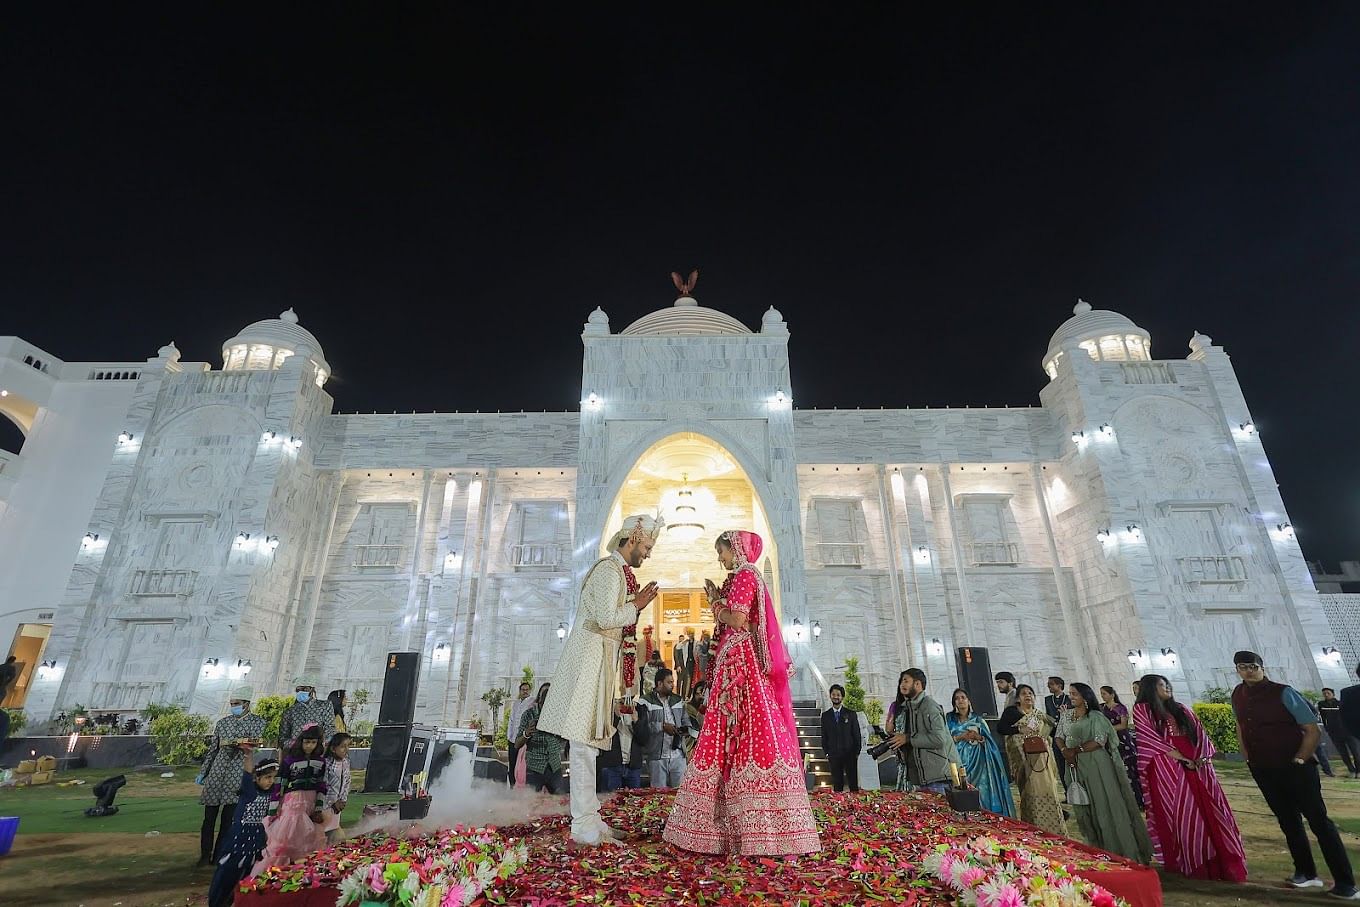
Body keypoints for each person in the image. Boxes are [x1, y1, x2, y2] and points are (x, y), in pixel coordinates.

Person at [663, 530, 820, 856]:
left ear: (736, 549)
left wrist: (715, 604)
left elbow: (736, 617)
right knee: (743, 730)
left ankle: (741, 827)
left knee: (742, 728)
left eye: (722, 552)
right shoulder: (750, 577)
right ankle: (756, 827)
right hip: (739, 661)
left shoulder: (745, 575)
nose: (721, 559)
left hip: (740, 665)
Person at [538, 513, 661, 843]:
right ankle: (583, 825)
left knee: (589, 743)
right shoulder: (608, 571)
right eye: (647, 546)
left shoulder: (618, 572)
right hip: (590, 659)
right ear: (632, 539)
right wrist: (637, 603)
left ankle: (590, 817)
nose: (648, 553)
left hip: (600, 659)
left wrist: (635, 604)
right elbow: (608, 617)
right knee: (583, 744)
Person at [1232, 651, 1358, 898]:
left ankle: (1345, 883)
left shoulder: (1283, 692)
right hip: (1263, 768)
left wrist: (1300, 758)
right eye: (1242, 667)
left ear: (1261, 667)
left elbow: (1311, 728)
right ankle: (1306, 873)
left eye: (1252, 666)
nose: (1248, 671)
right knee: (1288, 822)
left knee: (1319, 823)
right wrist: (1248, 758)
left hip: (1296, 768)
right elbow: (1241, 725)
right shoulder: (1238, 694)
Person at [1133, 674, 1246, 881]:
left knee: (1211, 809)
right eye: (1161, 684)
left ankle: (1223, 859)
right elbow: (1150, 738)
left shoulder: (1182, 709)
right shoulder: (1143, 709)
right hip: (1168, 767)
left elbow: (1200, 734)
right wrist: (1182, 759)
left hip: (1197, 764)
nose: (1166, 687)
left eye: (1167, 683)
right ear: (1150, 688)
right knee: (1183, 812)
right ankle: (1193, 861)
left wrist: (1202, 758)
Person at [1062, 682, 1152, 863]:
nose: (1071, 697)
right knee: (1088, 804)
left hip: (1097, 763)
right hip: (1077, 765)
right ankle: (1098, 846)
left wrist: (1075, 750)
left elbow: (1099, 740)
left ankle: (1119, 849)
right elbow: (1059, 735)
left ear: (1085, 697)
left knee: (1105, 803)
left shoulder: (1096, 716)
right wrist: (1065, 750)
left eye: (1075, 694)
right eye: (1070, 693)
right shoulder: (1068, 716)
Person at [197, 686, 265, 866]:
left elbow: (254, 742)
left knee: (228, 820)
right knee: (208, 818)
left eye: (237, 704)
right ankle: (204, 855)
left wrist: (236, 742)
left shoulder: (257, 722)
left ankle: (219, 855)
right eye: (232, 703)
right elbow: (213, 750)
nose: (234, 706)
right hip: (217, 771)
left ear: (247, 704)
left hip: (238, 770)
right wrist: (204, 772)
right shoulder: (223, 723)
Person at [251, 723, 327, 876]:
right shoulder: (289, 761)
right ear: (301, 742)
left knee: (308, 839)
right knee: (286, 840)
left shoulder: (321, 762)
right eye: (307, 742)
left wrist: (319, 808)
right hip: (293, 803)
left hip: (310, 803)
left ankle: (302, 874)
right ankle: (274, 873)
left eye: (313, 742)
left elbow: (322, 785)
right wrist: (273, 809)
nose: (309, 746)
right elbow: (280, 784)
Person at [207, 754, 280, 907]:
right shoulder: (249, 791)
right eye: (267, 777)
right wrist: (248, 756)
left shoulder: (269, 794)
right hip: (239, 839)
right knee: (229, 872)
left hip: (255, 840)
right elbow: (247, 773)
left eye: (273, 777)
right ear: (257, 777)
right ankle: (217, 902)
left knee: (248, 873)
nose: (271, 781)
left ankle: (237, 901)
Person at [885, 668, 961, 794]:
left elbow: (939, 739)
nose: (901, 685)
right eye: (901, 682)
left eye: (905, 681)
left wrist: (908, 738)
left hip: (938, 777)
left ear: (917, 684)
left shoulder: (929, 706)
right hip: (922, 778)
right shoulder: (909, 707)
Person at [1004, 684, 1067, 835]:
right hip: (1025, 764)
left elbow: (1055, 731)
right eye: (1024, 694)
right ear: (1017, 699)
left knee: (1050, 793)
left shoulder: (1040, 715)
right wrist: (1019, 730)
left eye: (1030, 693)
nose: (1028, 696)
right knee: (1030, 794)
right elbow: (1002, 729)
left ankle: (1055, 830)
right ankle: (1033, 829)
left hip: (1043, 763)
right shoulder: (1012, 714)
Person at [947, 688, 1014, 816]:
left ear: (969, 701)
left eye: (963, 697)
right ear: (954, 703)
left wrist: (979, 738)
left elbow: (989, 742)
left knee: (980, 790)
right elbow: (944, 740)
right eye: (957, 698)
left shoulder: (978, 720)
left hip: (979, 762)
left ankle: (983, 815)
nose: (960, 700)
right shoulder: (949, 720)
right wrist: (961, 737)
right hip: (957, 760)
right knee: (961, 789)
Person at [639, 667, 689, 788]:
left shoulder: (678, 700)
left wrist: (684, 729)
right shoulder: (645, 701)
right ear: (659, 683)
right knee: (658, 795)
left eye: (673, 682)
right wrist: (661, 726)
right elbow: (641, 726)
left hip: (677, 755)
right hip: (657, 756)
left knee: (680, 793)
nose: (673, 685)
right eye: (669, 682)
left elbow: (685, 720)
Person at [1098, 685, 1144, 809]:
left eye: (1104, 694)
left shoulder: (1121, 708)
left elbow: (1123, 725)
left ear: (1112, 694)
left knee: (1131, 772)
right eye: (1101, 694)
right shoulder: (1101, 708)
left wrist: (1108, 730)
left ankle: (1139, 800)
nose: (1102, 696)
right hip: (1109, 743)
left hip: (1123, 742)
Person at [517, 682, 565, 793]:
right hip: (534, 768)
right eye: (544, 695)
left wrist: (558, 731)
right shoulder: (528, 715)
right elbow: (517, 744)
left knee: (560, 802)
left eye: (551, 696)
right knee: (532, 805)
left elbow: (565, 738)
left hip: (554, 767)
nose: (547, 698)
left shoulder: (558, 716)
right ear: (539, 697)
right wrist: (527, 733)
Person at [821, 683, 862, 793]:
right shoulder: (825, 715)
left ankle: (856, 806)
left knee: (853, 783)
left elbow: (856, 734)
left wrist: (857, 751)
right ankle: (838, 806)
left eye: (838, 695)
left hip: (850, 754)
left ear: (842, 697)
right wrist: (827, 752)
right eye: (833, 694)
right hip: (834, 754)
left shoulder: (851, 714)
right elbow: (824, 735)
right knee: (837, 783)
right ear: (830, 696)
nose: (835, 697)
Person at [277, 677, 334, 746]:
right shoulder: (290, 711)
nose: (301, 691)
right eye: (298, 689)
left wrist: (320, 743)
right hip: (296, 752)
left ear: (312, 690)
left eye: (305, 689)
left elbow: (330, 728)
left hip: (318, 750)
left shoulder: (325, 706)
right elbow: (282, 738)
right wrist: (296, 744)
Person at [1320, 688, 1360, 778]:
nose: (1326, 695)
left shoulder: (1340, 703)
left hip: (1347, 731)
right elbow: (1323, 717)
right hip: (1334, 732)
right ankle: (1351, 770)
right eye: (1324, 693)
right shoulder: (1321, 704)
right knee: (1343, 753)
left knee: (1356, 752)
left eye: (1328, 693)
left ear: (1333, 694)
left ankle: (1358, 770)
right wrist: (1327, 728)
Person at [320, 733, 352, 843]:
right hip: (326, 806)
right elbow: (324, 786)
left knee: (335, 834)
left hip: (338, 806)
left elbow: (347, 782)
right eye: (343, 746)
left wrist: (343, 800)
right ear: (333, 749)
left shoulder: (346, 762)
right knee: (324, 833)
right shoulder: (326, 763)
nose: (346, 750)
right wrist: (332, 802)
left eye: (348, 746)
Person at [1044, 676, 1071, 786]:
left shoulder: (1069, 699)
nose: (1048, 686)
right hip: (1055, 734)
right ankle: (1067, 791)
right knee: (1060, 763)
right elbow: (1049, 715)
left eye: (1051, 684)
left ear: (1059, 685)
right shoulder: (1048, 699)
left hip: (1069, 734)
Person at [506, 681, 534, 788]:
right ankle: (512, 785)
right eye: (523, 690)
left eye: (527, 690)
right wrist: (509, 736)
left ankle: (520, 786)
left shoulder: (532, 702)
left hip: (523, 739)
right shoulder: (516, 703)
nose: (525, 691)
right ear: (520, 691)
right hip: (512, 739)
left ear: (530, 691)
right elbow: (511, 720)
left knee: (521, 765)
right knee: (512, 764)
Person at [684, 680, 708, 761]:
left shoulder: (711, 710)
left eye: (703, 694)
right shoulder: (689, 708)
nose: (700, 697)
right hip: (690, 745)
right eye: (697, 694)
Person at [674, 631, 695, 699]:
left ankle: (683, 696)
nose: (682, 640)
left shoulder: (685, 646)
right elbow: (676, 656)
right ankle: (678, 694)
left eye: (683, 639)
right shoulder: (677, 646)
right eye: (681, 639)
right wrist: (678, 665)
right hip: (680, 666)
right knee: (679, 680)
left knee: (685, 681)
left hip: (685, 666)